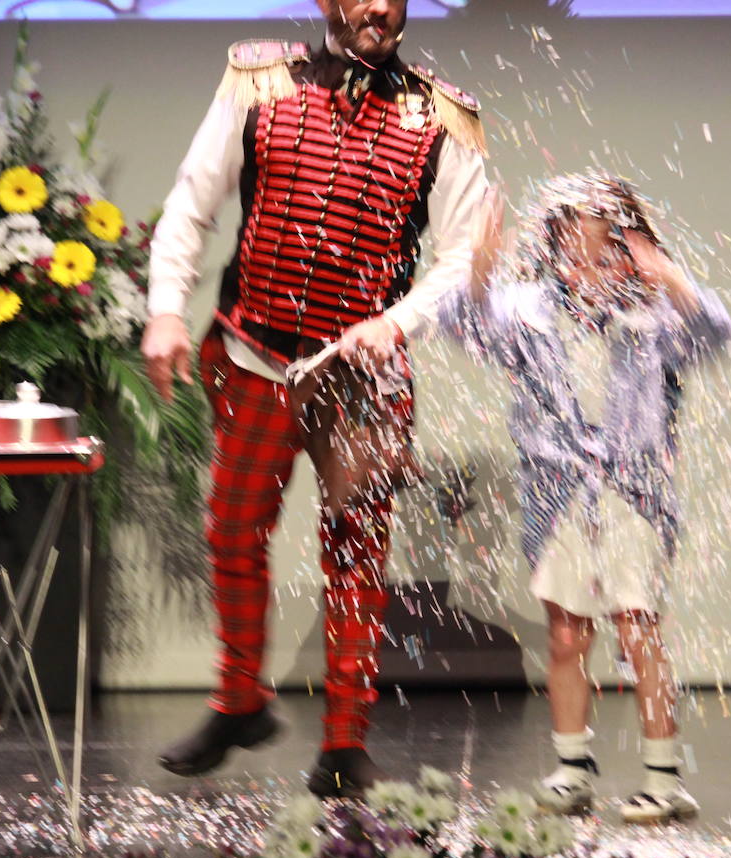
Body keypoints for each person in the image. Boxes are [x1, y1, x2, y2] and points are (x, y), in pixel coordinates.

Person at [141, 0, 488, 799]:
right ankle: (238, 700)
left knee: (358, 556)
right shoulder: (259, 81)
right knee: (231, 527)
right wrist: (166, 308)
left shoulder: (443, 118)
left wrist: (396, 324)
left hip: (364, 380)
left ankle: (344, 743)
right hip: (259, 357)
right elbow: (192, 204)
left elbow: (464, 259)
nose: (379, 6)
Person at [438, 174, 731, 822]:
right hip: (561, 493)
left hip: (632, 493)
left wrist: (670, 275)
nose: (586, 269)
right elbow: (462, 325)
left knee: (639, 628)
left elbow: (716, 333)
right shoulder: (530, 311)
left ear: (631, 253)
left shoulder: (654, 319)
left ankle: (663, 779)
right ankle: (572, 769)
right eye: (574, 253)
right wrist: (483, 267)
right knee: (568, 635)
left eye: (605, 254)